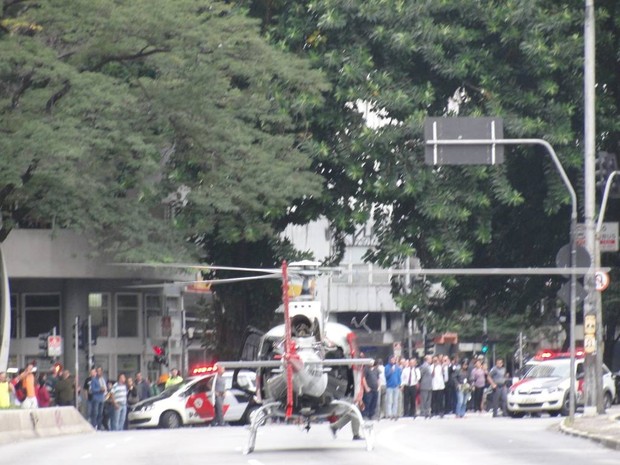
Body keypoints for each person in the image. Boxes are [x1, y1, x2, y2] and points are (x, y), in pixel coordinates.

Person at [384, 355, 401, 420]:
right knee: (390, 401)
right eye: (392, 360)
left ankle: (394, 414)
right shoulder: (387, 367)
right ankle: (389, 414)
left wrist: (399, 383)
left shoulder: (397, 367)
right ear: (390, 360)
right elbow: (386, 376)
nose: (393, 361)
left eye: (394, 360)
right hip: (389, 387)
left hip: (396, 386)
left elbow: (399, 376)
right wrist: (391, 371)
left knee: (395, 401)